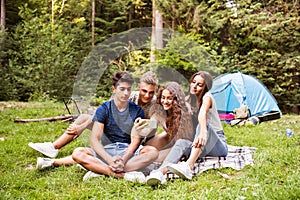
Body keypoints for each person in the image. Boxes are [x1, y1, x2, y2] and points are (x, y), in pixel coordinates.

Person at [35, 72, 159, 183]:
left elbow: (148, 129)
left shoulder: (146, 106)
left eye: (151, 92)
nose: (147, 95)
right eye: (144, 91)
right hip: (110, 143)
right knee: (78, 151)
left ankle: (99, 169)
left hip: (135, 139)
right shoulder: (113, 104)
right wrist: (81, 128)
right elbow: (98, 122)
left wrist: (123, 158)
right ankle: (53, 147)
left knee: (152, 152)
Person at [148, 71, 228, 184]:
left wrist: (203, 132)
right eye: (193, 82)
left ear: (206, 87)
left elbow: (202, 114)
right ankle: (160, 173)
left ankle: (189, 167)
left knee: (203, 124)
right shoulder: (187, 100)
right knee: (181, 142)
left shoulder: (207, 97)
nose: (194, 86)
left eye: (199, 85)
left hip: (217, 144)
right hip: (200, 144)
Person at [140, 82, 195, 184]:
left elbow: (185, 139)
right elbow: (150, 127)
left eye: (169, 98)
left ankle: (160, 173)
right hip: (174, 142)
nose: (165, 101)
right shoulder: (160, 112)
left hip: (188, 144)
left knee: (159, 157)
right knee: (148, 150)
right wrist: (140, 128)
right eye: (163, 98)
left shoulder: (185, 110)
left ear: (176, 99)